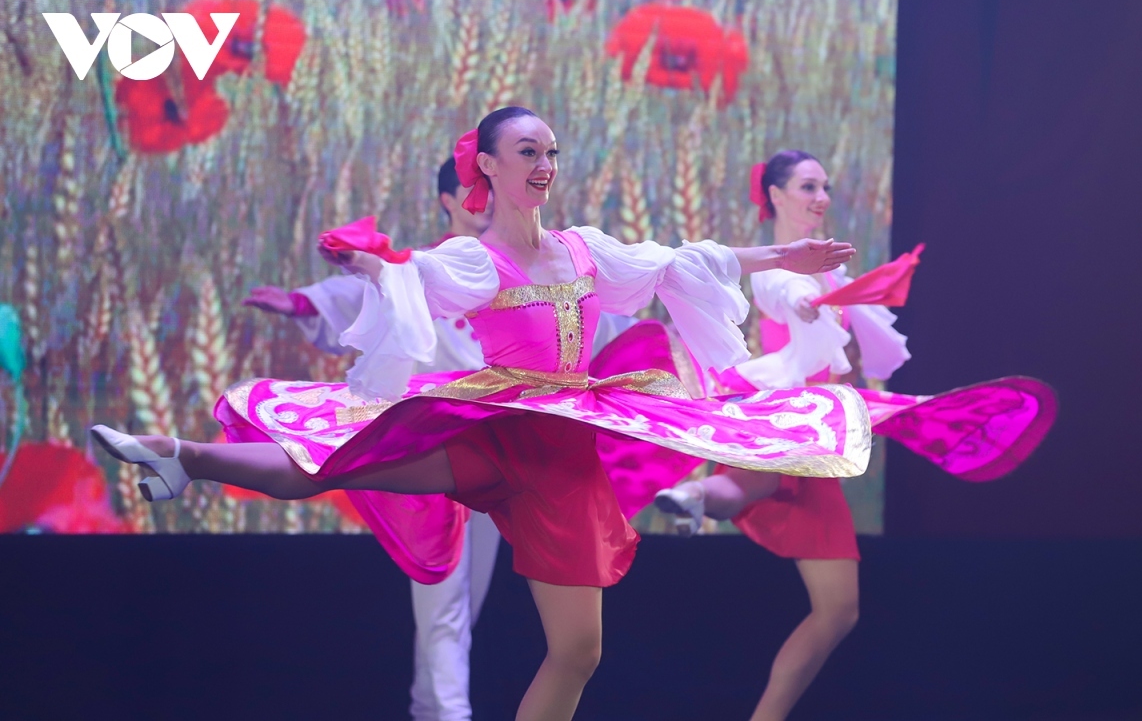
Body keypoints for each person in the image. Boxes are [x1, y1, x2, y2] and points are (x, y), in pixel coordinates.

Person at [91, 107, 865, 721]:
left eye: (550, 152)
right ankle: (181, 454)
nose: (544, 165)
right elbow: (409, 274)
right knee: (340, 458)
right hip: (497, 435)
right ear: (487, 167)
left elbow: (685, 263)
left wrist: (781, 258)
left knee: (580, 652)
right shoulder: (475, 258)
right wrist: (366, 261)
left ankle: (178, 457)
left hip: (561, 458)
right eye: (526, 151)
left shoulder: (587, 249)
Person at [654, 149, 1057, 721]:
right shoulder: (775, 267)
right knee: (753, 489)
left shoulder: (832, 268)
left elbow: (850, 340)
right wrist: (802, 298)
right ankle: (694, 498)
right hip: (794, 413)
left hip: (821, 436)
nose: (820, 197)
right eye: (808, 186)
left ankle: (694, 500)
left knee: (838, 608)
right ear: (775, 195)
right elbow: (776, 294)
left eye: (824, 187)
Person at [243, 157, 501, 721]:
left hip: (497, 452)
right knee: (444, 604)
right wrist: (302, 302)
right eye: (471, 192)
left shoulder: (512, 272)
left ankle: (427, 707)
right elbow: (361, 287)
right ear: (447, 202)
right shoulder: (417, 270)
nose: (483, 203)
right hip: (428, 449)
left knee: (464, 606)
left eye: (489, 191)